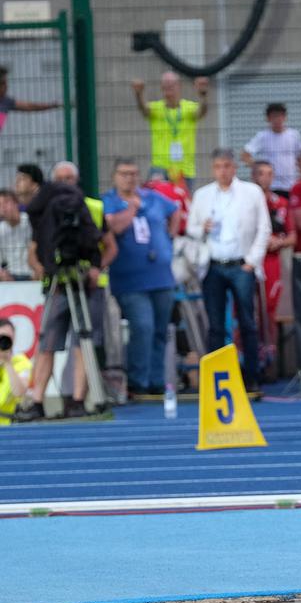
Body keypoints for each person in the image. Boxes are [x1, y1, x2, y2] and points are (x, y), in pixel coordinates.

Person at [15, 170, 112, 421]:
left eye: (69, 179)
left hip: (86, 285)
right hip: (58, 285)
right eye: (60, 179)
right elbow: (35, 251)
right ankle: (37, 401)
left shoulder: (91, 208)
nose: (65, 186)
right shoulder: (45, 212)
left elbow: (109, 245)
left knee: (83, 343)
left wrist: (94, 267)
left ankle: (78, 400)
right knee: (47, 342)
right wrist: (46, 269)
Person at [187, 149, 271, 393]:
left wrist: (252, 262)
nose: (222, 171)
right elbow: (191, 229)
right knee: (215, 325)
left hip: (240, 264)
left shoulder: (251, 192)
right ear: (213, 169)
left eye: (227, 166)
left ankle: (252, 375)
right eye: (218, 167)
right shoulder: (202, 195)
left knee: (247, 321)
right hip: (213, 265)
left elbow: (263, 229)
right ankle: (217, 379)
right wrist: (201, 227)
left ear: (234, 168)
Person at [101, 158, 180, 397]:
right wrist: (132, 208)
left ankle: (157, 380)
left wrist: (169, 237)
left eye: (134, 173)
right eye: (124, 173)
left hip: (161, 277)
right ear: (115, 176)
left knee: (159, 330)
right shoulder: (109, 201)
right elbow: (113, 227)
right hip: (131, 281)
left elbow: (174, 210)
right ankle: (138, 380)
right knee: (142, 327)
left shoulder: (153, 197)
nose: (130, 178)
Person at [131, 72, 210, 190]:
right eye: (165, 85)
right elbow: (144, 109)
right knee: (158, 204)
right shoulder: (156, 108)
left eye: (171, 84)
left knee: (182, 205)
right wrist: (139, 94)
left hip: (184, 169)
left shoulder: (189, 108)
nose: (168, 88)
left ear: (179, 86)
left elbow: (201, 111)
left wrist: (203, 95)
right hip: (160, 168)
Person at [251, 160, 296, 347]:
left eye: (270, 173)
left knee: (270, 309)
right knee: (246, 310)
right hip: (250, 260)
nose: (266, 178)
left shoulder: (281, 203)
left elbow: (293, 237)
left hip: (272, 262)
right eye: (261, 173)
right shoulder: (245, 201)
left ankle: (270, 356)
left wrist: (279, 241)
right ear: (253, 176)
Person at [241, 103, 301, 199]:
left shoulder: (294, 135)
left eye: (280, 116)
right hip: (271, 185)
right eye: (274, 116)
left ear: (285, 117)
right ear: (268, 119)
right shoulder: (262, 136)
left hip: (291, 184)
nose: (277, 119)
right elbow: (245, 154)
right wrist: (258, 169)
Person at [0, 65, 60, 134]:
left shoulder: (6, 101)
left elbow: (30, 106)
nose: (7, 86)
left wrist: (52, 105)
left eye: (6, 83)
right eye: (3, 83)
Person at [0, 318, 31, 426]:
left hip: (8, 425)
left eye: (8, 338)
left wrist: (8, 363)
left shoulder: (21, 361)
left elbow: (19, 392)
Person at [0, 188, 33, 281]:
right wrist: (2, 274)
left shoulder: (30, 222)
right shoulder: (1, 230)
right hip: (10, 277)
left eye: (6, 202)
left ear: (16, 203)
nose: (3, 208)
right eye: (0, 205)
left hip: (33, 274)